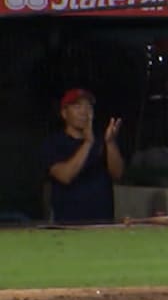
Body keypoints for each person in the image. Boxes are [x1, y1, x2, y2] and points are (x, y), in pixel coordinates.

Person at [41, 89, 124, 223]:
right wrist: (87, 143)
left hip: (103, 223)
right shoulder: (54, 143)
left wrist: (110, 143)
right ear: (64, 113)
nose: (84, 112)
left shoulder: (103, 141)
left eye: (88, 106)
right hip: (67, 224)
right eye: (77, 106)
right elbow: (65, 176)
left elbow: (117, 174)